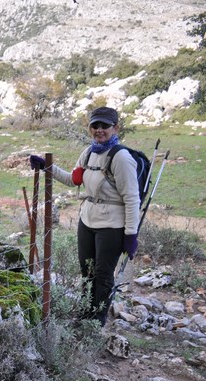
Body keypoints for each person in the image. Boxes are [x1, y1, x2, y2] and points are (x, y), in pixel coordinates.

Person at [29, 106, 140, 326]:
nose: (99, 130)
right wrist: (46, 166)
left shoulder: (121, 158)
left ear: (115, 128)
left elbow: (132, 198)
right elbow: (73, 180)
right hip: (87, 220)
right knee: (87, 270)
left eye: (104, 126)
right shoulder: (89, 153)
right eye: (95, 125)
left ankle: (96, 321)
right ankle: (86, 312)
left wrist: (131, 234)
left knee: (103, 273)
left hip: (112, 224)